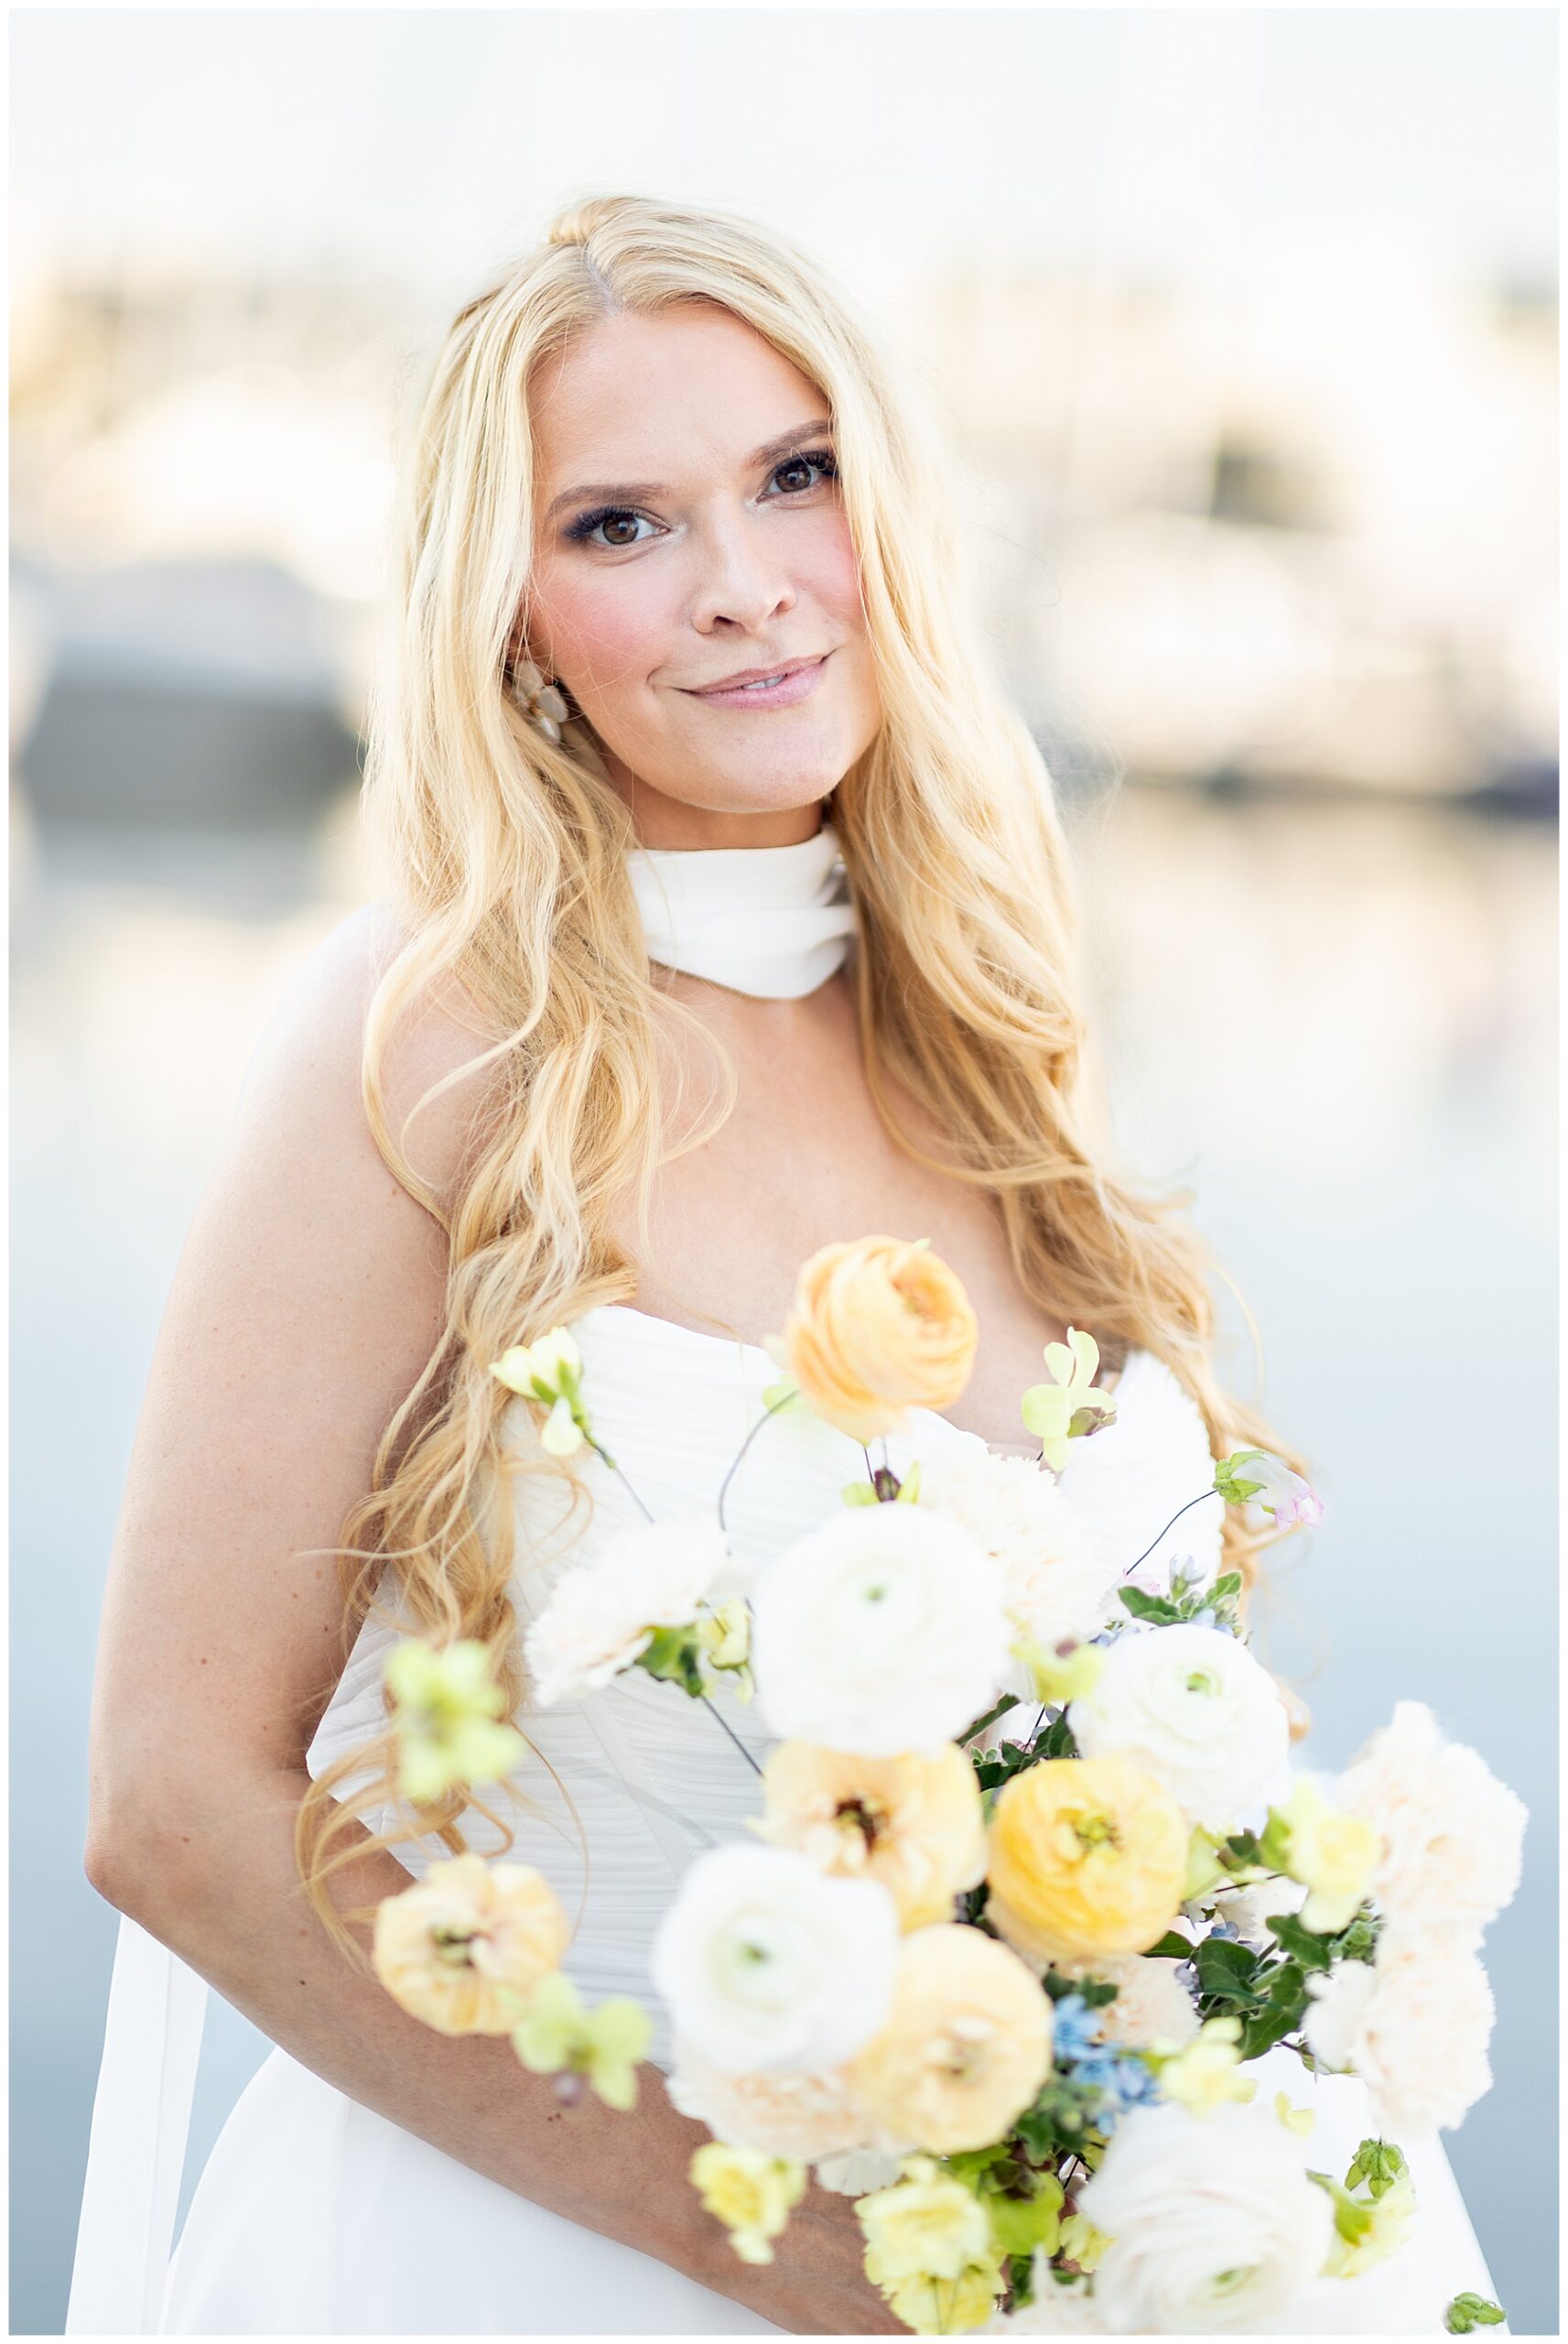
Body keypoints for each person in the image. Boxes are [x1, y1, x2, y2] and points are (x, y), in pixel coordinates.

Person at [69, 193, 1501, 2335]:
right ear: (512, 615)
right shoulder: (431, 1043)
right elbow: (176, 1807)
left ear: (887, 506)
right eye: (620, 527)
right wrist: (739, 2229)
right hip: (573, 2249)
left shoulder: (996, 1022)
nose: (741, 589)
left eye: (791, 477)